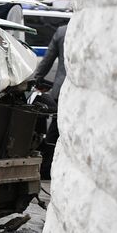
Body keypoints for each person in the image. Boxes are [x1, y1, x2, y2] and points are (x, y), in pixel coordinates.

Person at [31, 23, 67, 179]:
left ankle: (46, 168)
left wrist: (36, 79)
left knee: (55, 128)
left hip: (62, 90)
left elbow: (48, 60)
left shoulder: (62, 31)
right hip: (81, 92)